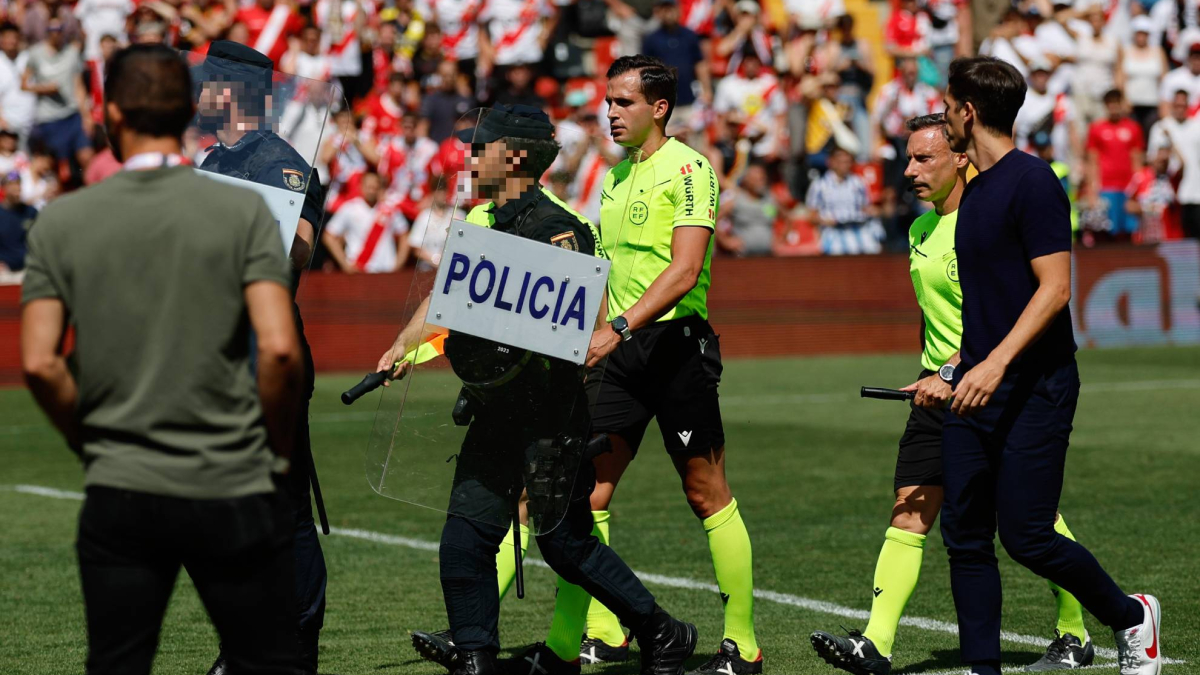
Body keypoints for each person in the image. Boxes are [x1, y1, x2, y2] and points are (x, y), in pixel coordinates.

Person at [375, 103, 699, 675]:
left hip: (551, 416)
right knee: (463, 538)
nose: (470, 157)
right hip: (495, 411)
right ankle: (475, 658)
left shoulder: (561, 231)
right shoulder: (486, 220)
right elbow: (445, 297)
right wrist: (404, 343)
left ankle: (663, 632)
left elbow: (585, 327)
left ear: (516, 156)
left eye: (482, 147)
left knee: (565, 545)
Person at [20, 43, 304, 675]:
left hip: (122, 480)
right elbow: (280, 347)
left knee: (118, 661)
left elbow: (40, 363)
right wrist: (272, 450)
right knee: (269, 660)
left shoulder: (63, 221)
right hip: (227, 477)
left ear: (111, 112)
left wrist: (89, 440)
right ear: (183, 111)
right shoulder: (242, 211)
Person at [809, 113, 1095, 675]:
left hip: (987, 387)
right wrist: (930, 371)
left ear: (960, 158)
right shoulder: (918, 232)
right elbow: (936, 319)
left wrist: (952, 372)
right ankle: (876, 644)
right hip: (936, 390)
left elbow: (1008, 314)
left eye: (924, 159)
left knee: (1029, 517)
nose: (910, 171)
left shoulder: (986, 224)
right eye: (908, 159)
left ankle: (1076, 630)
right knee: (908, 512)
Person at [939, 55, 1161, 675]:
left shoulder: (1033, 181)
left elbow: (1055, 289)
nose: (944, 113)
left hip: (1037, 386)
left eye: (947, 102)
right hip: (978, 386)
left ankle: (1130, 616)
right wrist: (956, 367)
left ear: (968, 111)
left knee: (1028, 536)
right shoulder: (975, 190)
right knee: (963, 535)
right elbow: (992, 304)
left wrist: (995, 365)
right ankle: (983, 668)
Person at [557, 54, 760, 675]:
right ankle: (602, 631)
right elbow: (603, 271)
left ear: (659, 107)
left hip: (674, 350)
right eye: (608, 101)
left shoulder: (692, 169)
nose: (610, 113)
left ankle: (742, 648)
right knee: (585, 493)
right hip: (618, 352)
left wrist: (616, 328)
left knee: (706, 492)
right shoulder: (614, 178)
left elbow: (684, 271)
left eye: (623, 102)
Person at [193, 40, 328, 675]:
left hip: (262, 355)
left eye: (208, 81)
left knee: (281, 510)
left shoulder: (282, 163)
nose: (197, 90)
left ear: (233, 91)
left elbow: (297, 255)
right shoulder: (208, 159)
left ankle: (298, 647)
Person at [22, 17, 94, 176]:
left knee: (86, 156)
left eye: (59, 30)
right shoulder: (36, 53)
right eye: (52, 30)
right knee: (62, 168)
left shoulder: (72, 53)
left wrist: (86, 116)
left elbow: (79, 86)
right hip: (49, 117)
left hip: (72, 113)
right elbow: (24, 85)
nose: (56, 34)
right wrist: (43, 89)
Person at [322, 171, 410, 273]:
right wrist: (345, 265)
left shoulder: (390, 209)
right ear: (361, 187)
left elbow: (405, 236)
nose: (371, 191)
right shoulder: (349, 208)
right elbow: (329, 236)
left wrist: (398, 264)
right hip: (359, 270)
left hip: (386, 271)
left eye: (374, 187)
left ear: (380, 188)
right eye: (369, 187)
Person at [1085, 89, 1144, 240]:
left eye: (1116, 103)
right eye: (1110, 104)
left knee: (1129, 233)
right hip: (1106, 188)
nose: (1114, 107)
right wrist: (1092, 192)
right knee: (1106, 233)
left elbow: (1137, 162)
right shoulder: (1097, 128)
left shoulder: (1133, 128)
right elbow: (1092, 161)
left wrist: (1138, 193)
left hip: (1127, 189)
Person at [805, 146, 886, 255]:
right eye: (841, 162)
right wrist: (825, 221)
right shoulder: (819, 185)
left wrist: (875, 211)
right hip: (834, 232)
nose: (845, 165)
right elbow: (811, 216)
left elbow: (865, 207)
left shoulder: (858, 182)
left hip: (858, 229)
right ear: (831, 162)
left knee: (872, 249)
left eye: (848, 162)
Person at [0, 170, 35, 271]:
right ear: (4, 188)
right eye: (12, 184)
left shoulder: (31, 212)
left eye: (18, 184)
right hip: (5, 269)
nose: (17, 188)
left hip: (29, 267)